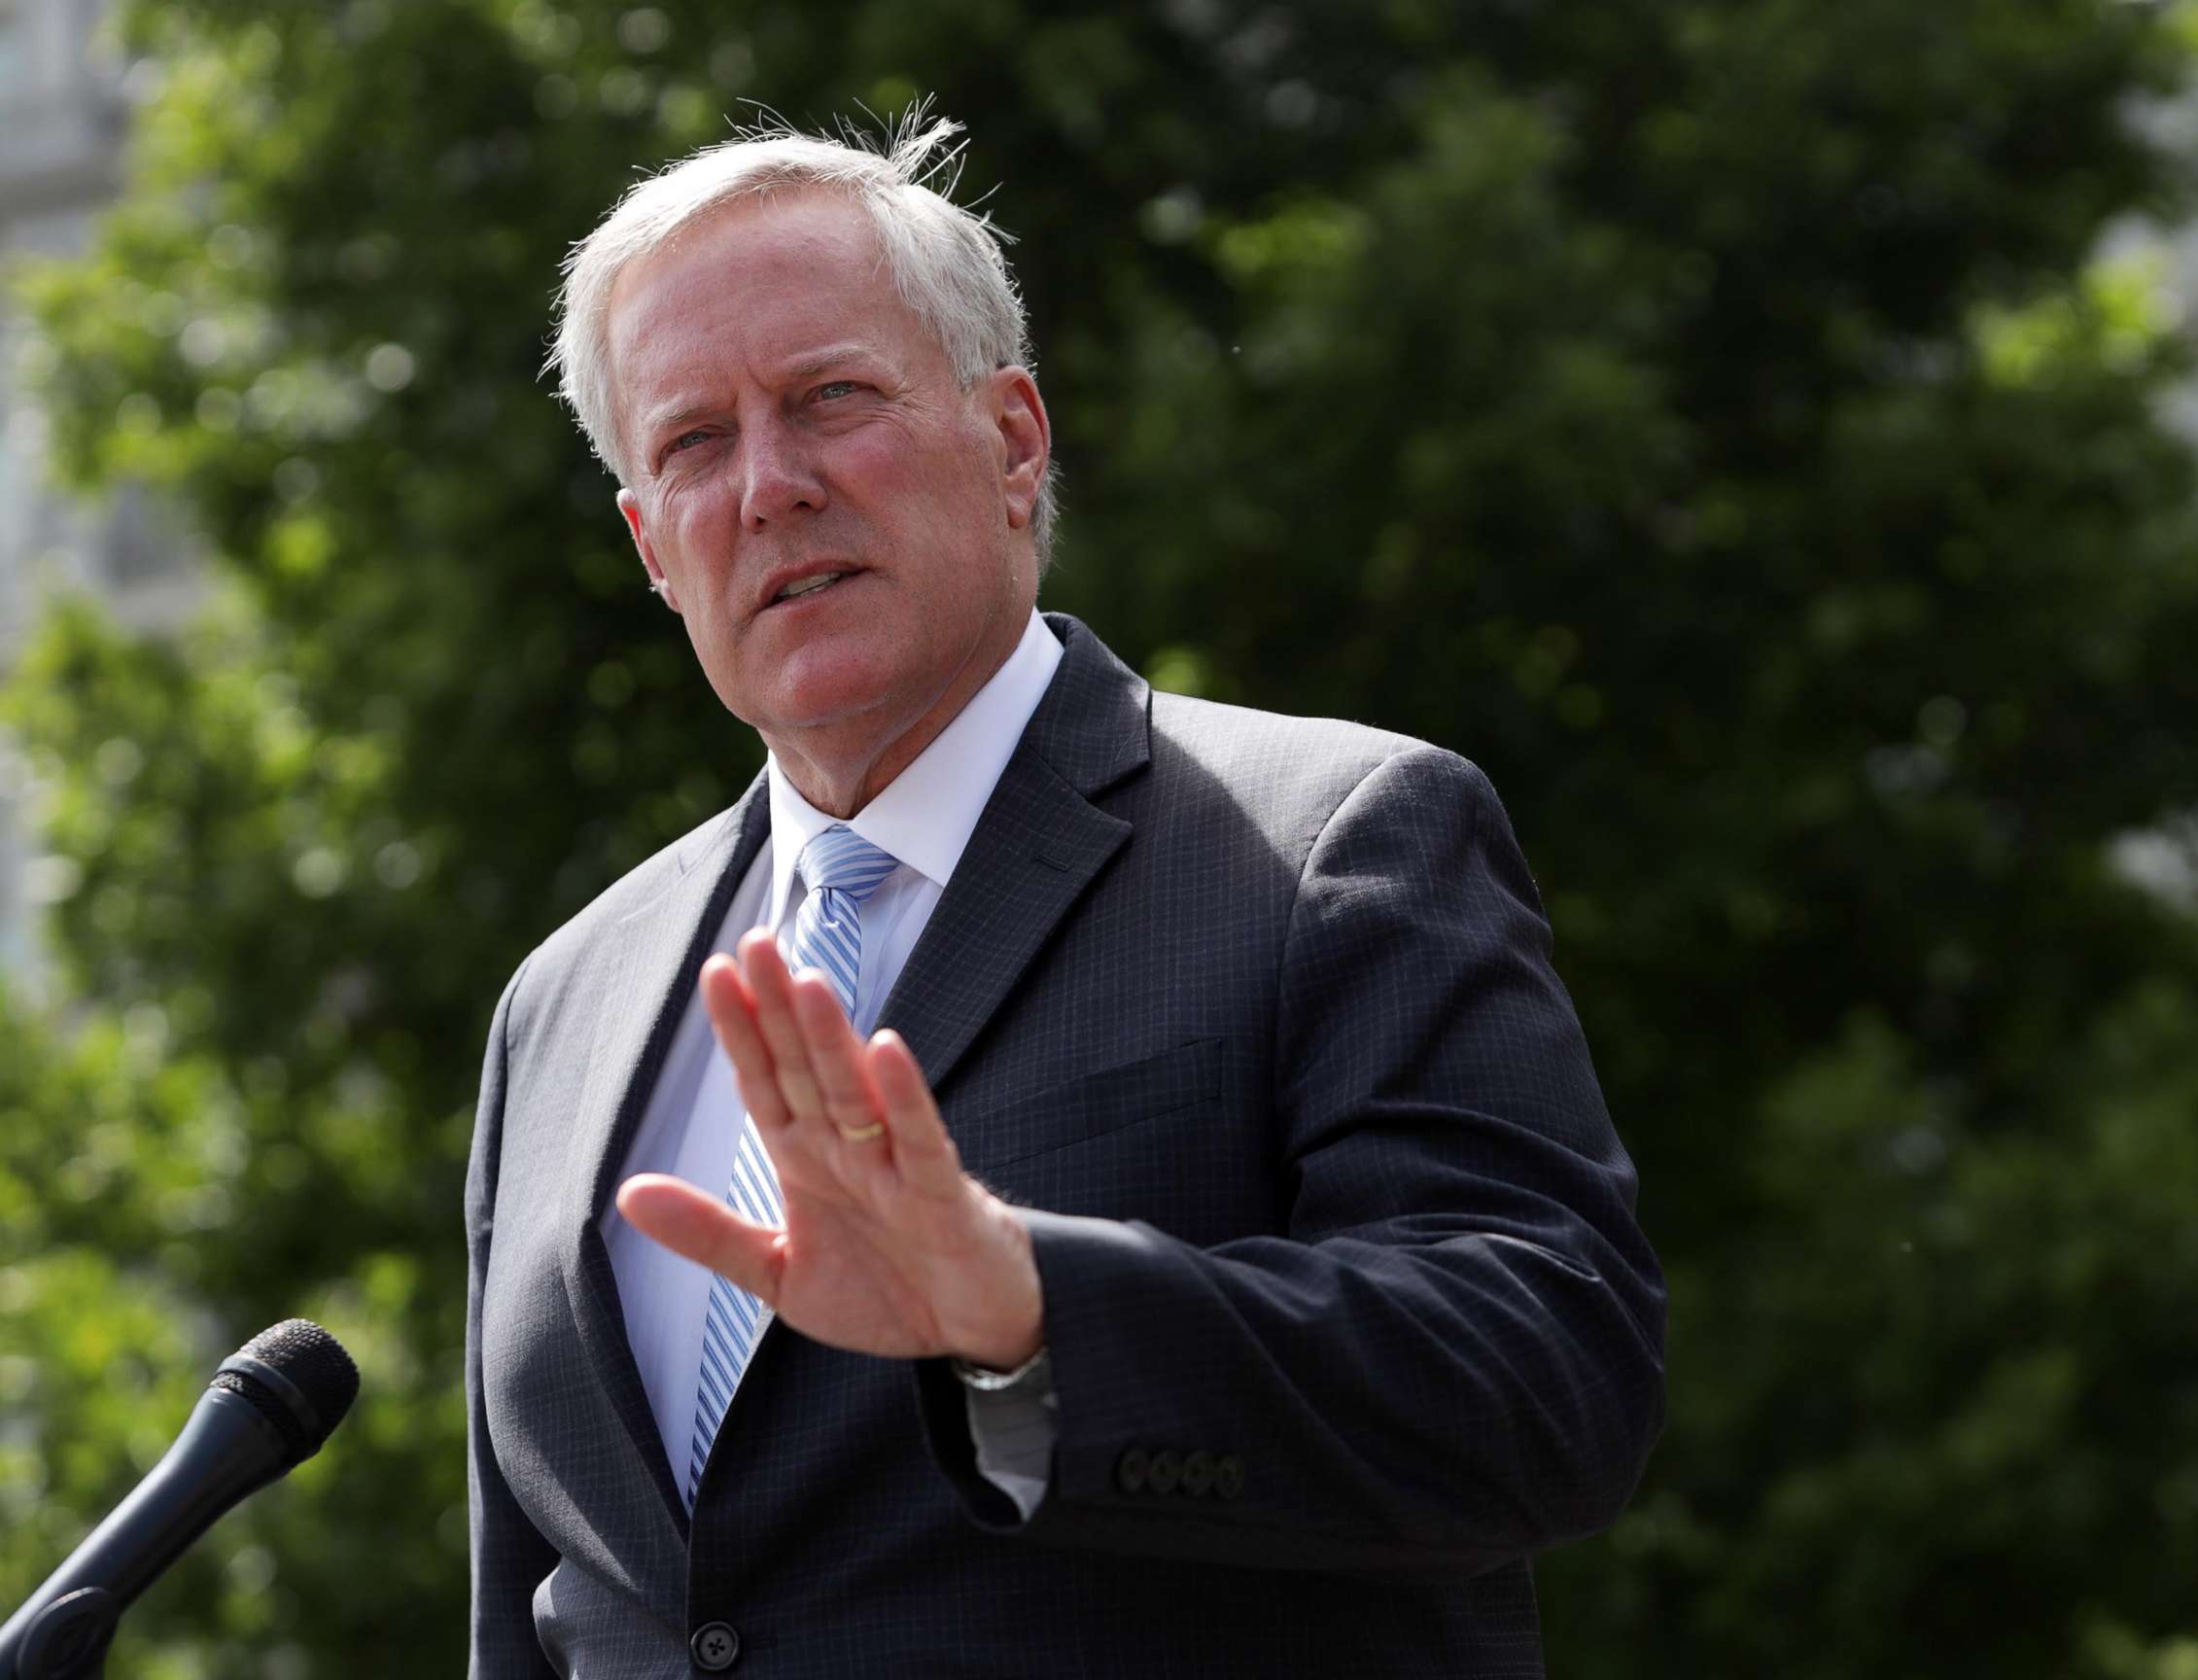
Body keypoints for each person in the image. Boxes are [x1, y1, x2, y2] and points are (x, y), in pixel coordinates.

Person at [465, 115, 1665, 1679]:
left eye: (831, 397)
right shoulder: (562, 1002)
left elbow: (1549, 1385)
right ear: (651, 546)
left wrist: (1032, 1310)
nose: (768, 486)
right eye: (694, 443)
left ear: (1014, 441)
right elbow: (537, 1613)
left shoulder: (1327, 844)